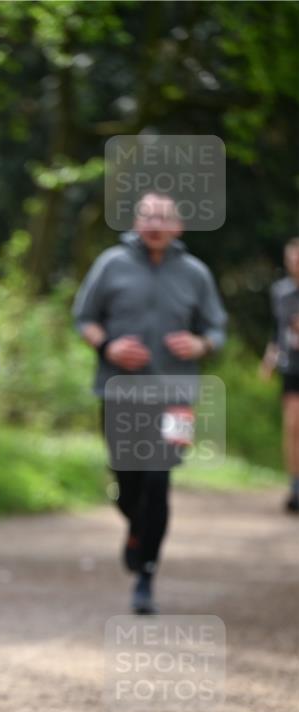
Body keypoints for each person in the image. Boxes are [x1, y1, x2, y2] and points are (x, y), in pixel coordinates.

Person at [73, 193, 227, 613]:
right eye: (148, 216)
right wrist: (108, 346)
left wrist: (200, 343)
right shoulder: (111, 264)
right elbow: (84, 318)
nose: (155, 224)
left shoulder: (195, 272)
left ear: (178, 226)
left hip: (176, 396)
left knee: (159, 480)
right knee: (129, 486)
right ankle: (137, 527)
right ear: (136, 222)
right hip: (119, 392)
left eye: (164, 217)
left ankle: (146, 576)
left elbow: (217, 328)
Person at [260, 237, 299, 513]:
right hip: (292, 366)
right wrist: (270, 357)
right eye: (292, 258)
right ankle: (295, 485)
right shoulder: (280, 292)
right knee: (293, 425)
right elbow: (278, 330)